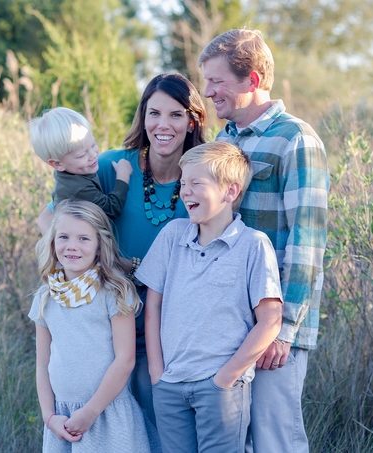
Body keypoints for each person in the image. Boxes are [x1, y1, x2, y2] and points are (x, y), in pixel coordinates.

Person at [199, 29, 330, 453]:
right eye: (207, 81)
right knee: (234, 441)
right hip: (228, 320)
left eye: (217, 81)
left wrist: (285, 328)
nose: (207, 91)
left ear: (252, 80)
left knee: (276, 440)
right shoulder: (224, 142)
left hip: (274, 328)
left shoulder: (296, 139)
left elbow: (307, 239)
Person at [135, 142, 283, 453]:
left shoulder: (253, 246)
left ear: (230, 192)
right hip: (170, 385)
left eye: (196, 184)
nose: (185, 192)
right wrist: (157, 375)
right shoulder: (173, 237)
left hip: (219, 389)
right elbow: (154, 307)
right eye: (183, 183)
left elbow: (270, 320)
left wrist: (225, 379)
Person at [97, 73, 207, 424]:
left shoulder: (203, 180)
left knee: (158, 422)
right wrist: (102, 264)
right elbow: (53, 222)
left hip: (169, 329)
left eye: (176, 115)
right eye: (154, 113)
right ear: (142, 117)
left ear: (192, 121)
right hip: (108, 322)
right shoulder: (113, 166)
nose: (164, 125)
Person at [29, 200, 160, 452]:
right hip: (62, 418)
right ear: (52, 242)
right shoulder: (45, 297)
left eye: (83, 239)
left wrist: (89, 412)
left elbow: (125, 360)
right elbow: (42, 363)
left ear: (100, 246)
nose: (72, 246)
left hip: (107, 412)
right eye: (64, 237)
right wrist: (49, 417)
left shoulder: (114, 292)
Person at [29, 107, 133, 232]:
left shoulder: (70, 172)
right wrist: (123, 175)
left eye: (93, 145)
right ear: (57, 164)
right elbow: (112, 209)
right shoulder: (79, 188)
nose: (93, 155)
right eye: (82, 155)